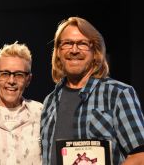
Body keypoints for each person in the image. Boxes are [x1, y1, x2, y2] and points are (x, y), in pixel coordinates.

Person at [40, 16, 144, 165]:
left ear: (95, 52)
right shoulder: (49, 102)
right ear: (58, 52)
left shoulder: (118, 93)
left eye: (82, 44)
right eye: (67, 43)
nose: (74, 50)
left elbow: (140, 156)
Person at [0, 42, 43, 165]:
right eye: (5, 74)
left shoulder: (40, 113)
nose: (11, 81)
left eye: (19, 75)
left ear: (28, 79)